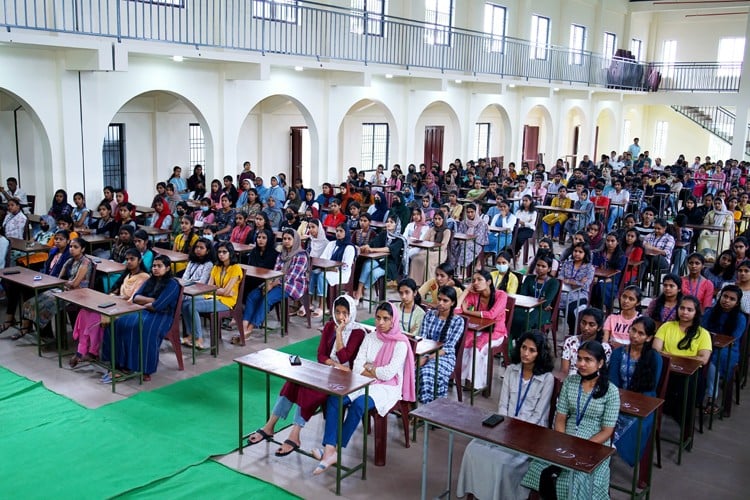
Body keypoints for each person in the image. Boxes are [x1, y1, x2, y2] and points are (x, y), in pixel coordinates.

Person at [245, 295, 365, 456]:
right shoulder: (330, 325)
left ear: (352, 313)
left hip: (345, 380)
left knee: (310, 391)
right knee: (292, 383)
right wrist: (334, 365)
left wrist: (339, 334)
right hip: (326, 371)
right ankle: (269, 426)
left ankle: (295, 435)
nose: (341, 317)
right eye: (337, 312)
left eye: (345, 313)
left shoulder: (358, 333)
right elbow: (321, 355)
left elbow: (344, 357)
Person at [311, 302, 414, 475]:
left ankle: (336, 451)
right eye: (378, 318)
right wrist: (373, 370)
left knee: (359, 404)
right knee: (335, 399)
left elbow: (388, 374)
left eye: (386, 319)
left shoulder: (401, 344)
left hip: (387, 388)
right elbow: (357, 366)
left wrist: (370, 368)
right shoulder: (371, 337)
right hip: (362, 381)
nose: (380, 322)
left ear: (393, 320)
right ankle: (329, 450)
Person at [457, 330, 554, 500]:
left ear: (540, 354)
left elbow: (538, 415)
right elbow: (503, 404)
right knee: (472, 449)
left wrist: (516, 433)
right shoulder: (511, 370)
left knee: (501, 463)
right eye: (524, 347)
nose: (526, 353)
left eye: (532, 350)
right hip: (505, 427)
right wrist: (504, 429)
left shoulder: (547, 379)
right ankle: (476, 492)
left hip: (529, 435)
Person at [522, 340, 620, 500]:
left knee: (575, 481)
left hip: (594, 444)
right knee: (537, 467)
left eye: (588, 360)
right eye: (579, 359)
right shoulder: (570, 382)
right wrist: (563, 441)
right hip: (566, 438)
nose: (581, 364)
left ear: (600, 363)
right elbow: (560, 418)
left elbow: (607, 431)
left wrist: (581, 447)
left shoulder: (611, 392)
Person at [101, 254, 181, 382]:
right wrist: (151, 301)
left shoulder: (172, 284)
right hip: (144, 310)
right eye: (154, 266)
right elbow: (136, 297)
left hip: (162, 316)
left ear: (167, 268)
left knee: (144, 328)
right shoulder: (150, 280)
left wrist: (151, 303)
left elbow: (158, 306)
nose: (155, 268)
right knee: (118, 323)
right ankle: (120, 363)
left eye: (159, 266)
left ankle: (145, 368)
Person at [69, 248, 150, 368]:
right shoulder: (127, 274)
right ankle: (82, 350)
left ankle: (92, 352)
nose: (128, 262)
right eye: (127, 259)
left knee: (95, 316)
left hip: (130, 309)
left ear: (139, 260)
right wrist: (113, 296)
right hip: (117, 303)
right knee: (85, 312)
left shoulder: (144, 277)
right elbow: (115, 290)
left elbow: (133, 298)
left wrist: (117, 298)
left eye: (132, 259)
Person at [16, 238, 93, 341]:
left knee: (46, 305)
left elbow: (75, 283)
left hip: (78, 293)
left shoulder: (85, 262)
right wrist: (63, 283)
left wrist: (63, 283)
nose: (72, 249)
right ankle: (44, 334)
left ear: (82, 249)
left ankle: (51, 338)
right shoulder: (70, 260)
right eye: (70, 247)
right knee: (33, 302)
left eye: (75, 247)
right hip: (65, 289)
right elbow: (57, 279)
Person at [609, 317, 662, 467]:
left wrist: (629, 402)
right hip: (618, 398)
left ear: (649, 338)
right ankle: (603, 451)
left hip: (644, 402)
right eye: (633, 330)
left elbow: (650, 387)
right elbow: (613, 382)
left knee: (637, 424)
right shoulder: (618, 353)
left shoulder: (654, 358)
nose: (635, 336)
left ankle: (613, 450)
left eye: (641, 333)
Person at [653, 295, 712, 429]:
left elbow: (703, 359)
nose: (685, 312)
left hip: (689, 375)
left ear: (696, 313)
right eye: (682, 308)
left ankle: (685, 427)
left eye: (689, 310)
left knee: (689, 387)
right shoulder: (667, 326)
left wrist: (670, 355)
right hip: (667, 370)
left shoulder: (702, 333)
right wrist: (685, 358)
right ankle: (655, 421)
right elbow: (656, 350)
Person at [241, 229, 308, 341]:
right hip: (275, 282)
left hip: (291, 286)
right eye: (284, 239)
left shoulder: (301, 255)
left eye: (289, 239)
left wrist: (271, 285)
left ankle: (250, 328)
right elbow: (275, 271)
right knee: (252, 296)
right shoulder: (282, 254)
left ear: (295, 240)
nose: (286, 241)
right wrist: (268, 284)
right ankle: (243, 327)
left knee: (267, 298)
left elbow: (291, 277)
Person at [182, 241, 244, 349]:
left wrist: (220, 290)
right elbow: (208, 288)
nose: (221, 254)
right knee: (184, 303)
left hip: (226, 302)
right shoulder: (216, 267)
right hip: (213, 296)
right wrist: (220, 290)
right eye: (219, 252)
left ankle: (198, 339)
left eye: (224, 252)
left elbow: (226, 292)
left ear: (231, 253)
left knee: (192, 306)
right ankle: (190, 335)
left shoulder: (236, 268)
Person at [456, 269, 508, 390]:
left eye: (480, 280)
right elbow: (457, 310)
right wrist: (466, 290)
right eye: (473, 280)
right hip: (479, 329)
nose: (476, 283)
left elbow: (491, 314)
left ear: (489, 282)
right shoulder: (475, 294)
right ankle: (461, 377)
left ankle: (474, 382)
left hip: (496, 332)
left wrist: (468, 311)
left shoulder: (501, 295)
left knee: (476, 347)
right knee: (463, 342)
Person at [701, 285, 746, 414]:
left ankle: (711, 397)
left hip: (729, 349)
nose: (727, 300)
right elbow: (702, 330)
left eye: (732, 299)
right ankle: (697, 394)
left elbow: (734, 338)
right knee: (703, 355)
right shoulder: (711, 312)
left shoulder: (740, 318)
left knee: (714, 359)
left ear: (737, 303)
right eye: (725, 296)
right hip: (708, 344)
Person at [309, 223, 356, 318]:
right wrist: (328, 267)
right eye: (337, 231)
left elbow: (345, 266)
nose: (338, 233)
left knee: (322, 276)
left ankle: (322, 306)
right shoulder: (332, 244)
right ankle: (309, 303)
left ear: (346, 233)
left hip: (341, 273)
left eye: (341, 231)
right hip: (329, 270)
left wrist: (332, 268)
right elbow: (323, 258)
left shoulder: (349, 248)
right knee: (314, 273)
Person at [354, 216, 405, 300]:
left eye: (391, 222)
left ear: (397, 225)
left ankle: (363, 289)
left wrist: (373, 250)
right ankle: (359, 289)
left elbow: (389, 250)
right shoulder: (384, 234)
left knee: (374, 273)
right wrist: (364, 247)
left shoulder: (399, 239)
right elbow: (373, 243)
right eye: (387, 221)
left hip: (390, 263)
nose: (388, 224)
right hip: (380, 258)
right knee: (367, 265)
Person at [510, 256, 560, 337]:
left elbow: (545, 303)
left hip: (543, 311)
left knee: (527, 321)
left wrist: (540, 302)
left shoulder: (553, 282)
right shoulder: (529, 278)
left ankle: (523, 341)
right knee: (512, 315)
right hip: (525, 307)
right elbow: (523, 297)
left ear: (549, 269)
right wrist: (540, 300)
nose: (540, 268)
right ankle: (512, 342)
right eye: (538, 265)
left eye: (543, 266)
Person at [561, 307, 612, 376]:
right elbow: (564, 370)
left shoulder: (604, 348)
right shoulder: (571, 341)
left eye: (591, 325)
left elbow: (600, 373)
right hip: (570, 381)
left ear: (599, 327)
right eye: (583, 323)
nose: (586, 328)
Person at [558, 242, 596, 334]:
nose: (577, 254)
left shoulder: (589, 268)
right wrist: (577, 282)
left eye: (580, 252)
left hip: (580, 295)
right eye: (575, 251)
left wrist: (568, 280)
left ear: (585, 254)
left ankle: (572, 334)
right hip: (564, 293)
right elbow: (560, 279)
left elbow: (585, 285)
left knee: (571, 310)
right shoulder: (567, 264)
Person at [409, 211, 451, 283]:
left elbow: (443, 246)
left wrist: (432, 247)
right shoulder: (431, 229)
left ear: (443, 220)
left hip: (440, 252)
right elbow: (424, 240)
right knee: (415, 259)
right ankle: (415, 282)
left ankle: (429, 285)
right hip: (428, 251)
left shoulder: (447, 231)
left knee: (427, 262)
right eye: (435, 219)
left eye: (439, 219)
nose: (437, 221)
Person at [591, 231, 626, 311]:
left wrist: (602, 280)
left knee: (600, 286)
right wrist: (595, 277)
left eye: (612, 241)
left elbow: (617, 274)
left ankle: (599, 309)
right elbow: (594, 268)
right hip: (597, 278)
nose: (610, 243)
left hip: (612, 280)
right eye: (608, 240)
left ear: (617, 242)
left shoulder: (621, 257)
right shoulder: (599, 254)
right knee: (592, 285)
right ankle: (594, 308)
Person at [453, 203, 489, 272]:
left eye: (472, 212)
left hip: (476, 244)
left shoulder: (481, 223)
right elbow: (460, 233)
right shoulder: (464, 222)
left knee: (464, 247)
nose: (470, 214)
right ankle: (453, 269)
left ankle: (464, 272)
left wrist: (466, 240)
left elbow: (479, 238)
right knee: (453, 246)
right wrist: (460, 240)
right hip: (463, 242)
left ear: (476, 212)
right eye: (468, 212)